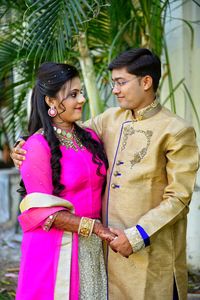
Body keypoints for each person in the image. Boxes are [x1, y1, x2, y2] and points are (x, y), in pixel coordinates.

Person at [12, 49, 199, 300]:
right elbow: (61, 137)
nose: (115, 90)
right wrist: (24, 148)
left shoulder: (176, 131)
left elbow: (179, 198)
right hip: (103, 253)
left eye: (121, 82)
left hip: (148, 252)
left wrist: (136, 236)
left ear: (146, 82)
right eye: (114, 83)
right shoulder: (110, 119)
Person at [14, 62, 115, 300]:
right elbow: (42, 212)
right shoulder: (36, 147)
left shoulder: (90, 137)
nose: (81, 99)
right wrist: (96, 228)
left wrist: (97, 232)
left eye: (80, 93)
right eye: (72, 94)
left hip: (92, 247)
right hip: (56, 249)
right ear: (50, 101)